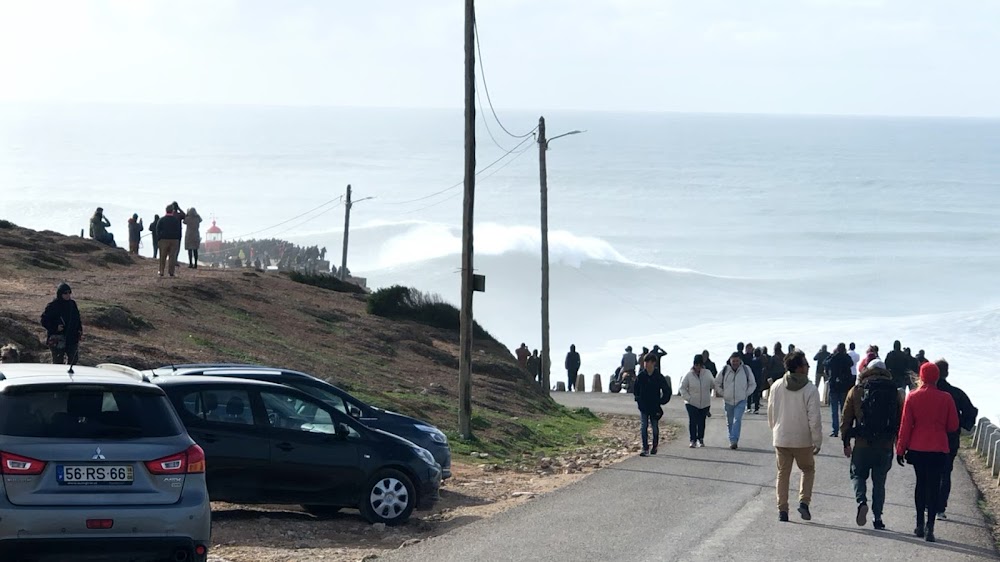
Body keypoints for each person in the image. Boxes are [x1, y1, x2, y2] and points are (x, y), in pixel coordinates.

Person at [896, 362, 959, 543]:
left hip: (918, 447)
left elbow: (905, 426)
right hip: (939, 448)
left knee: (920, 485)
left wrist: (900, 449)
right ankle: (931, 527)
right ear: (937, 377)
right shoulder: (946, 398)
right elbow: (953, 425)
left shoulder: (913, 397)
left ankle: (919, 524)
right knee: (934, 486)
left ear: (921, 377)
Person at [841, 360, 903, 530]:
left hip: (862, 443)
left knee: (857, 475)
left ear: (868, 370)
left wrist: (846, 442)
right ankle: (877, 517)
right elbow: (900, 420)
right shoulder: (894, 391)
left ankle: (861, 501)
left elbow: (846, 419)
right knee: (879, 481)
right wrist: (899, 444)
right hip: (885, 444)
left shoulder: (857, 390)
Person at [768, 349, 822, 522]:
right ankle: (804, 502)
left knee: (783, 473)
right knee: (807, 469)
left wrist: (774, 429)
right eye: (806, 364)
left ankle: (782, 510)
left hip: (781, 436)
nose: (808, 367)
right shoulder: (810, 389)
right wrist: (817, 440)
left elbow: (771, 411)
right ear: (799, 368)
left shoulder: (776, 386)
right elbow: (814, 418)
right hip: (802, 439)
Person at [934, 359, 978, 520]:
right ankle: (940, 508)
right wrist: (963, 425)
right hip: (950, 439)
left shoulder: (925, 392)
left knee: (929, 472)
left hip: (929, 439)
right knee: (945, 473)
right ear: (947, 373)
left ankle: (927, 504)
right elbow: (971, 411)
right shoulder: (956, 393)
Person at [714, 351, 757, 449]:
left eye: (737, 361)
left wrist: (745, 393)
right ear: (730, 361)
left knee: (737, 420)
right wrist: (723, 393)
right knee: (729, 421)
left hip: (741, 400)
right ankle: (731, 439)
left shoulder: (746, 369)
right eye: (733, 361)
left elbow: (752, 384)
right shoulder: (725, 370)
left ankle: (734, 440)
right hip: (728, 400)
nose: (735, 363)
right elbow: (716, 383)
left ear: (740, 361)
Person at [634, 352, 671, 456]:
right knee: (643, 426)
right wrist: (638, 399)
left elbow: (667, 390)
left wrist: (662, 401)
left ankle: (654, 446)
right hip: (643, 406)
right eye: (645, 361)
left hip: (654, 406)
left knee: (654, 427)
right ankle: (645, 448)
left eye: (648, 362)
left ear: (653, 363)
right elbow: (636, 389)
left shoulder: (658, 376)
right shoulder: (641, 376)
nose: (646, 364)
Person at [40, 283, 83, 365]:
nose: (68, 295)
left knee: (73, 360)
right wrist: (55, 327)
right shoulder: (53, 306)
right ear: (60, 294)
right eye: (65, 293)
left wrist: (79, 329)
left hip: (72, 338)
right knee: (58, 363)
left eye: (69, 293)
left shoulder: (72, 304)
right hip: (57, 338)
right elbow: (44, 320)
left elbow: (77, 318)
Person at [680, 354, 713, 448]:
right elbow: (682, 388)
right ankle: (692, 440)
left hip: (705, 402)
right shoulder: (689, 375)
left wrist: (721, 391)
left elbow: (713, 384)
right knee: (693, 421)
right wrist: (688, 398)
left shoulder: (707, 373)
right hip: (691, 403)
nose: (698, 367)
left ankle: (700, 439)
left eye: (700, 365)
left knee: (702, 421)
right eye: (696, 365)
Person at [827, 343, 855, 437]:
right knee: (844, 410)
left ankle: (835, 430)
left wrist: (832, 354)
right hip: (843, 386)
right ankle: (844, 429)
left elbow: (826, 363)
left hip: (834, 386)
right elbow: (851, 363)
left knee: (834, 410)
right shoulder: (846, 358)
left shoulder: (833, 358)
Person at [156, 204, 183, 277]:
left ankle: (161, 271)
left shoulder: (161, 219)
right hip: (174, 240)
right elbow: (179, 230)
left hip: (163, 240)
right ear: (172, 211)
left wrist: (159, 238)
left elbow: (157, 229)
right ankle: (171, 272)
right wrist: (178, 239)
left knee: (162, 256)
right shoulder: (175, 220)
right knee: (172, 257)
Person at [747, 347, 765, 414]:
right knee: (757, 394)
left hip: (752, 378)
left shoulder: (752, 360)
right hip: (758, 378)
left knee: (750, 393)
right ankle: (756, 408)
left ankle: (749, 407)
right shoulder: (760, 361)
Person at [702, 349, 717, 417]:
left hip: (708, 383)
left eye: (706, 355)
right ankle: (702, 410)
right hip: (700, 383)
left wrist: (711, 378)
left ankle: (707, 410)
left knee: (707, 398)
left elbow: (715, 372)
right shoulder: (700, 364)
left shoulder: (711, 364)